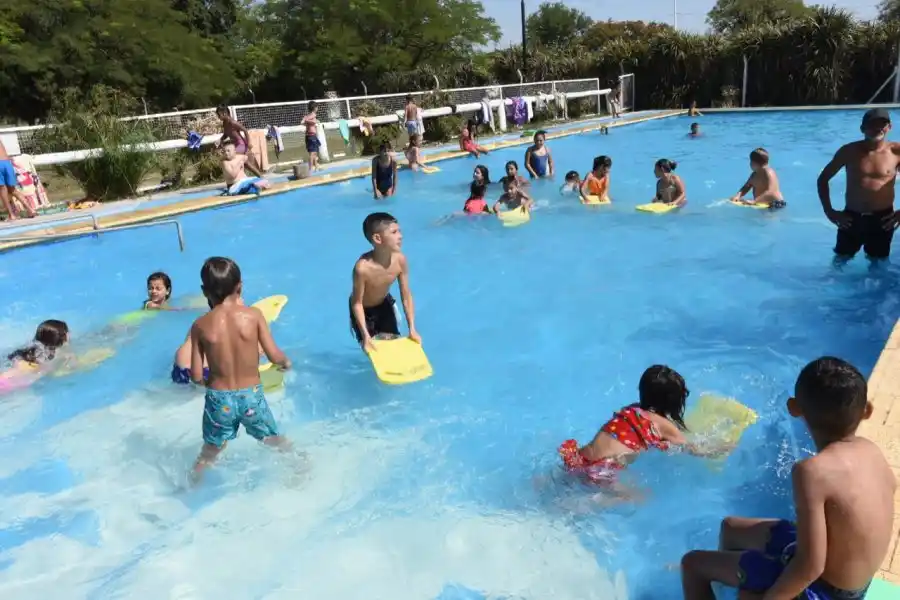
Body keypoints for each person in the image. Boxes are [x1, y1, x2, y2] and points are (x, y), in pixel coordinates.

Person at [681, 356, 895, 600]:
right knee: (730, 527)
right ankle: (725, 580)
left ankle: (729, 580)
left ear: (794, 408)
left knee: (692, 564)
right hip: (854, 582)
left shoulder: (811, 472)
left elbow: (810, 566)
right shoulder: (872, 450)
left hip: (827, 591)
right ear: (867, 410)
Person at [189, 257, 292, 483]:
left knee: (210, 451)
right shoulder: (254, 316)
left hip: (219, 400)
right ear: (240, 286)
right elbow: (275, 356)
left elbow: (196, 375)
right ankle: (301, 469)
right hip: (251, 396)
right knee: (273, 439)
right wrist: (285, 364)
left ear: (204, 291)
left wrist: (210, 385)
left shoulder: (199, 325)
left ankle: (191, 486)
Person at [559, 365, 729, 491]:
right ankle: (588, 505)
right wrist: (721, 448)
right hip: (604, 469)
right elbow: (693, 449)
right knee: (640, 498)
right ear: (674, 403)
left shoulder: (631, 409)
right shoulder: (664, 426)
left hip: (581, 457)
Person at [817, 107, 900, 262]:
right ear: (862, 128)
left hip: (883, 221)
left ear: (889, 127)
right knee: (839, 263)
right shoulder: (849, 151)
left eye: (882, 124)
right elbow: (823, 179)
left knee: (878, 267)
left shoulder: (896, 152)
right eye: (872, 124)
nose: (877, 128)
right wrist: (829, 211)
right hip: (851, 219)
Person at [349, 212, 421, 352]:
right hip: (363, 310)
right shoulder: (362, 268)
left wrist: (412, 328)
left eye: (399, 231)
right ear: (377, 238)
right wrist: (366, 336)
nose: (400, 236)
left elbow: (406, 296)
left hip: (384, 306)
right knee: (371, 349)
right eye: (394, 232)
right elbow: (357, 303)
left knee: (393, 346)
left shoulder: (400, 260)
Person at [1, 320, 70, 390]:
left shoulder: (31, 348)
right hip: (10, 381)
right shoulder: (52, 354)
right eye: (67, 332)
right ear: (63, 337)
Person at [215, 105, 259, 171]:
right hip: (234, 146)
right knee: (246, 164)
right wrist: (220, 140)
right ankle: (259, 175)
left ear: (224, 113)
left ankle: (259, 175)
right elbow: (226, 134)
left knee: (230, 158)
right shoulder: (224, 123)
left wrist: (249, 143)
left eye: (219, 115)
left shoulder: (233, 122)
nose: (218, 117)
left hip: (241, 145)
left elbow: (245, 130)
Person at [0, 138, 35, 220]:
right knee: (13, 190)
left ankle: (11, 215)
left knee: (2, 190)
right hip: (7, 163)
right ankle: (30, 209)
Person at [302, 101, 321, 172]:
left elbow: (303, 122)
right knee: (312, 153)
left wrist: (311, 122)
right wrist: (314, 122)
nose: (317, 108)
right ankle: (310, 169)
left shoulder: (307, 115)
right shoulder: (313, 115)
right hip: (311, 136)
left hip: (309, 136)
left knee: (315, 153)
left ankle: (316, 167)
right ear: (315, 108)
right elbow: (305, 121)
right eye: (317, 107)